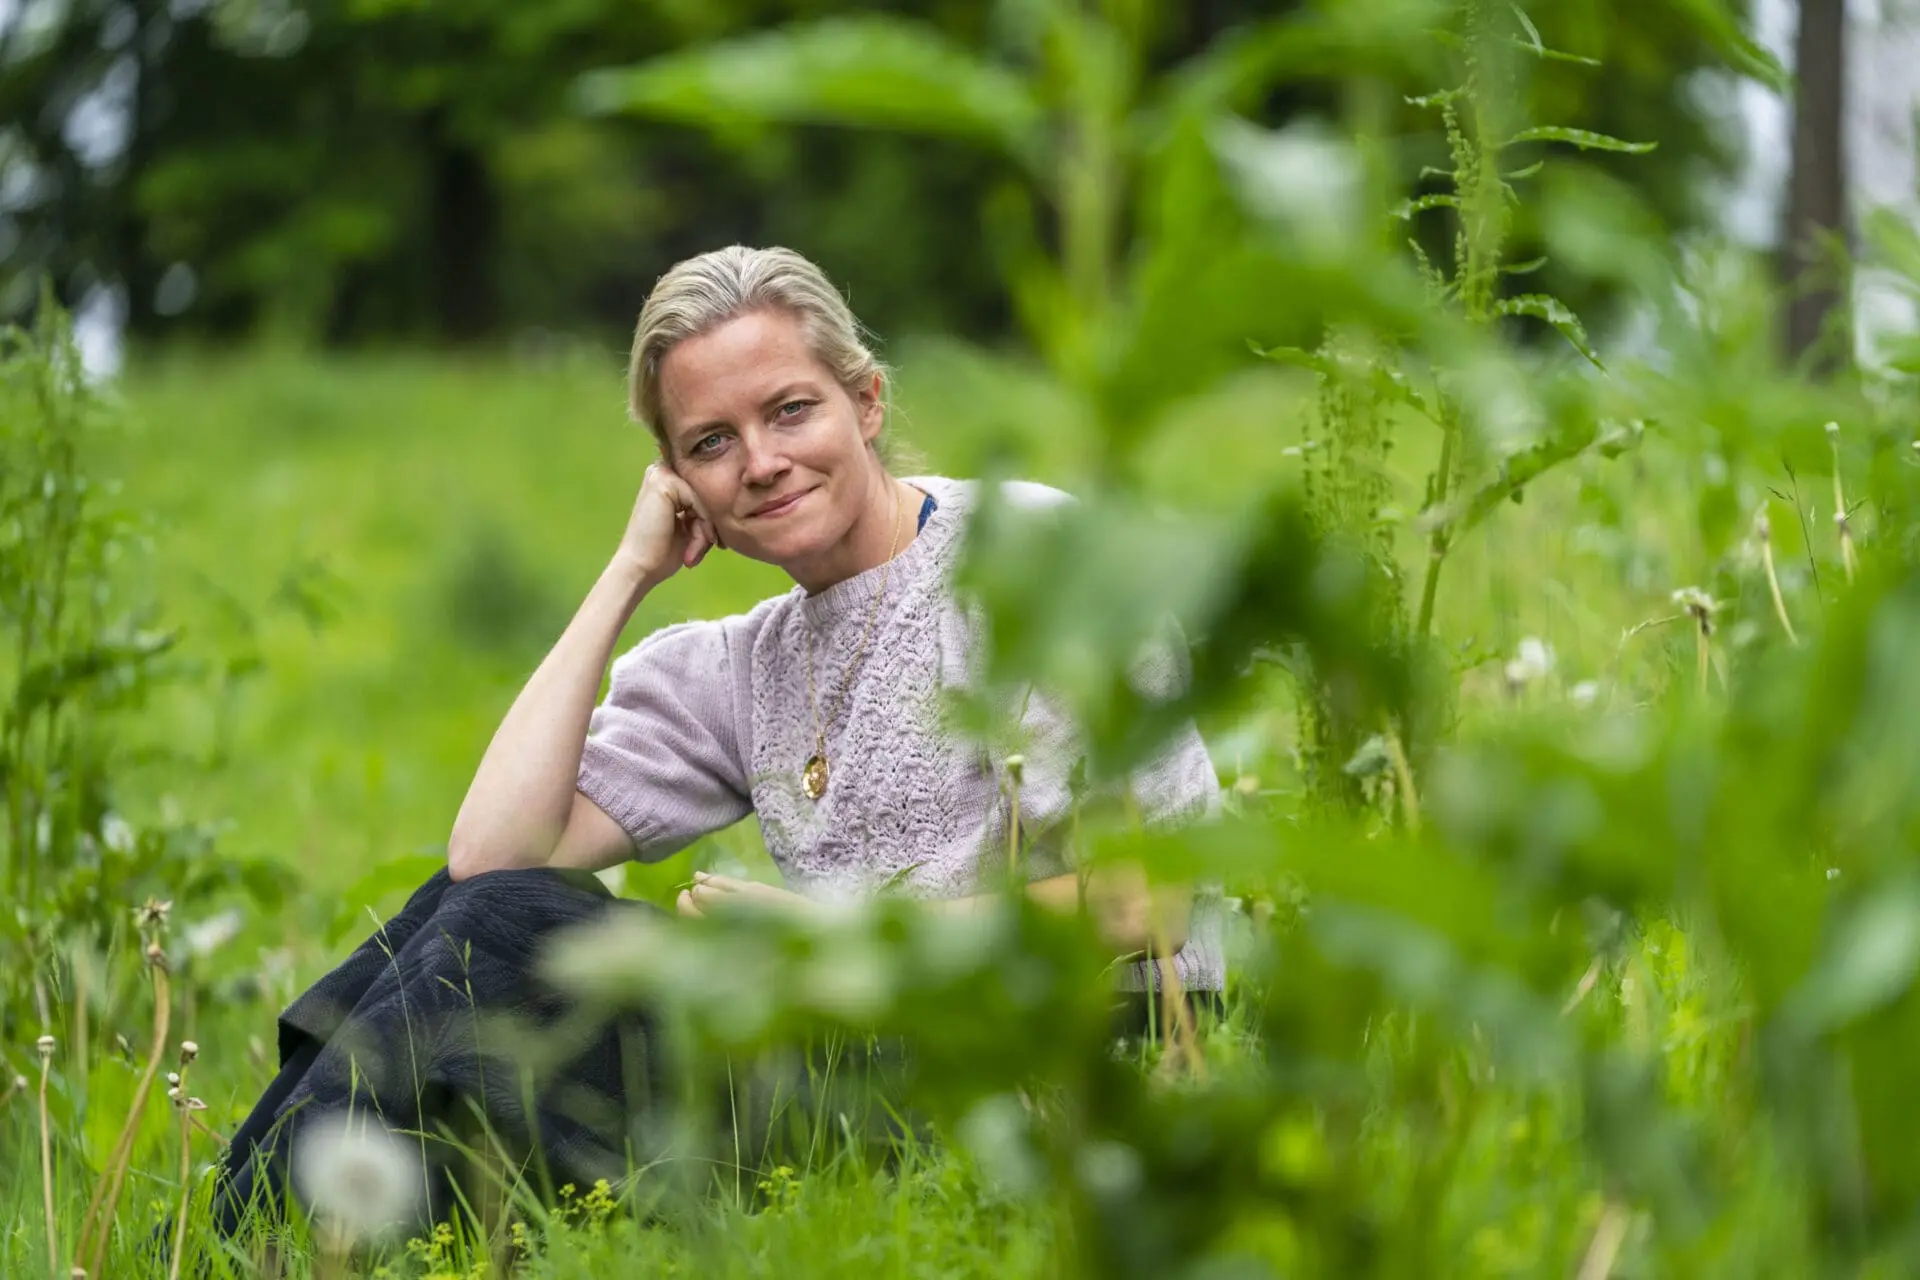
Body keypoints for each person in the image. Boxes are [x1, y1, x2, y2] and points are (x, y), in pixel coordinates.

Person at [212, 245, 1222, 1236]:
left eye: (790, 410)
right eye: (711, 442)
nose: (762, 461)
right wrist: (625, 576)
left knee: (501, 935)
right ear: (677, 481)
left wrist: (833, 941)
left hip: (1048, 1072)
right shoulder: (741, 665)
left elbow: (1148, 898)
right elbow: (492, 850)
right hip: (842, 1061)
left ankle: (235, 1238)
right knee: (465, 909)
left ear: (865, 402)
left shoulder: (1030, 558)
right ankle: (259, 1235)